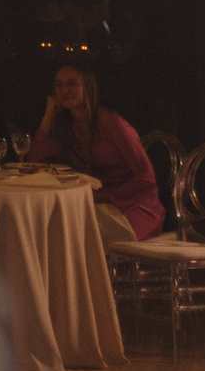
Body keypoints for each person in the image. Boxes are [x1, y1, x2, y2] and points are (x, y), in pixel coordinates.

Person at [34, 63, 164, 240]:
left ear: (87, 87)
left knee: (81, 235)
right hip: (97, 205)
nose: (64, 91)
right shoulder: (68, 126)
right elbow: (34, 161)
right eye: (59, 85)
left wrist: (103, 197)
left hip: (135, 208)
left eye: (72, 84)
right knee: (53, 226)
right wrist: (48, 114)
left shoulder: (112, 124)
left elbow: (146, 179)